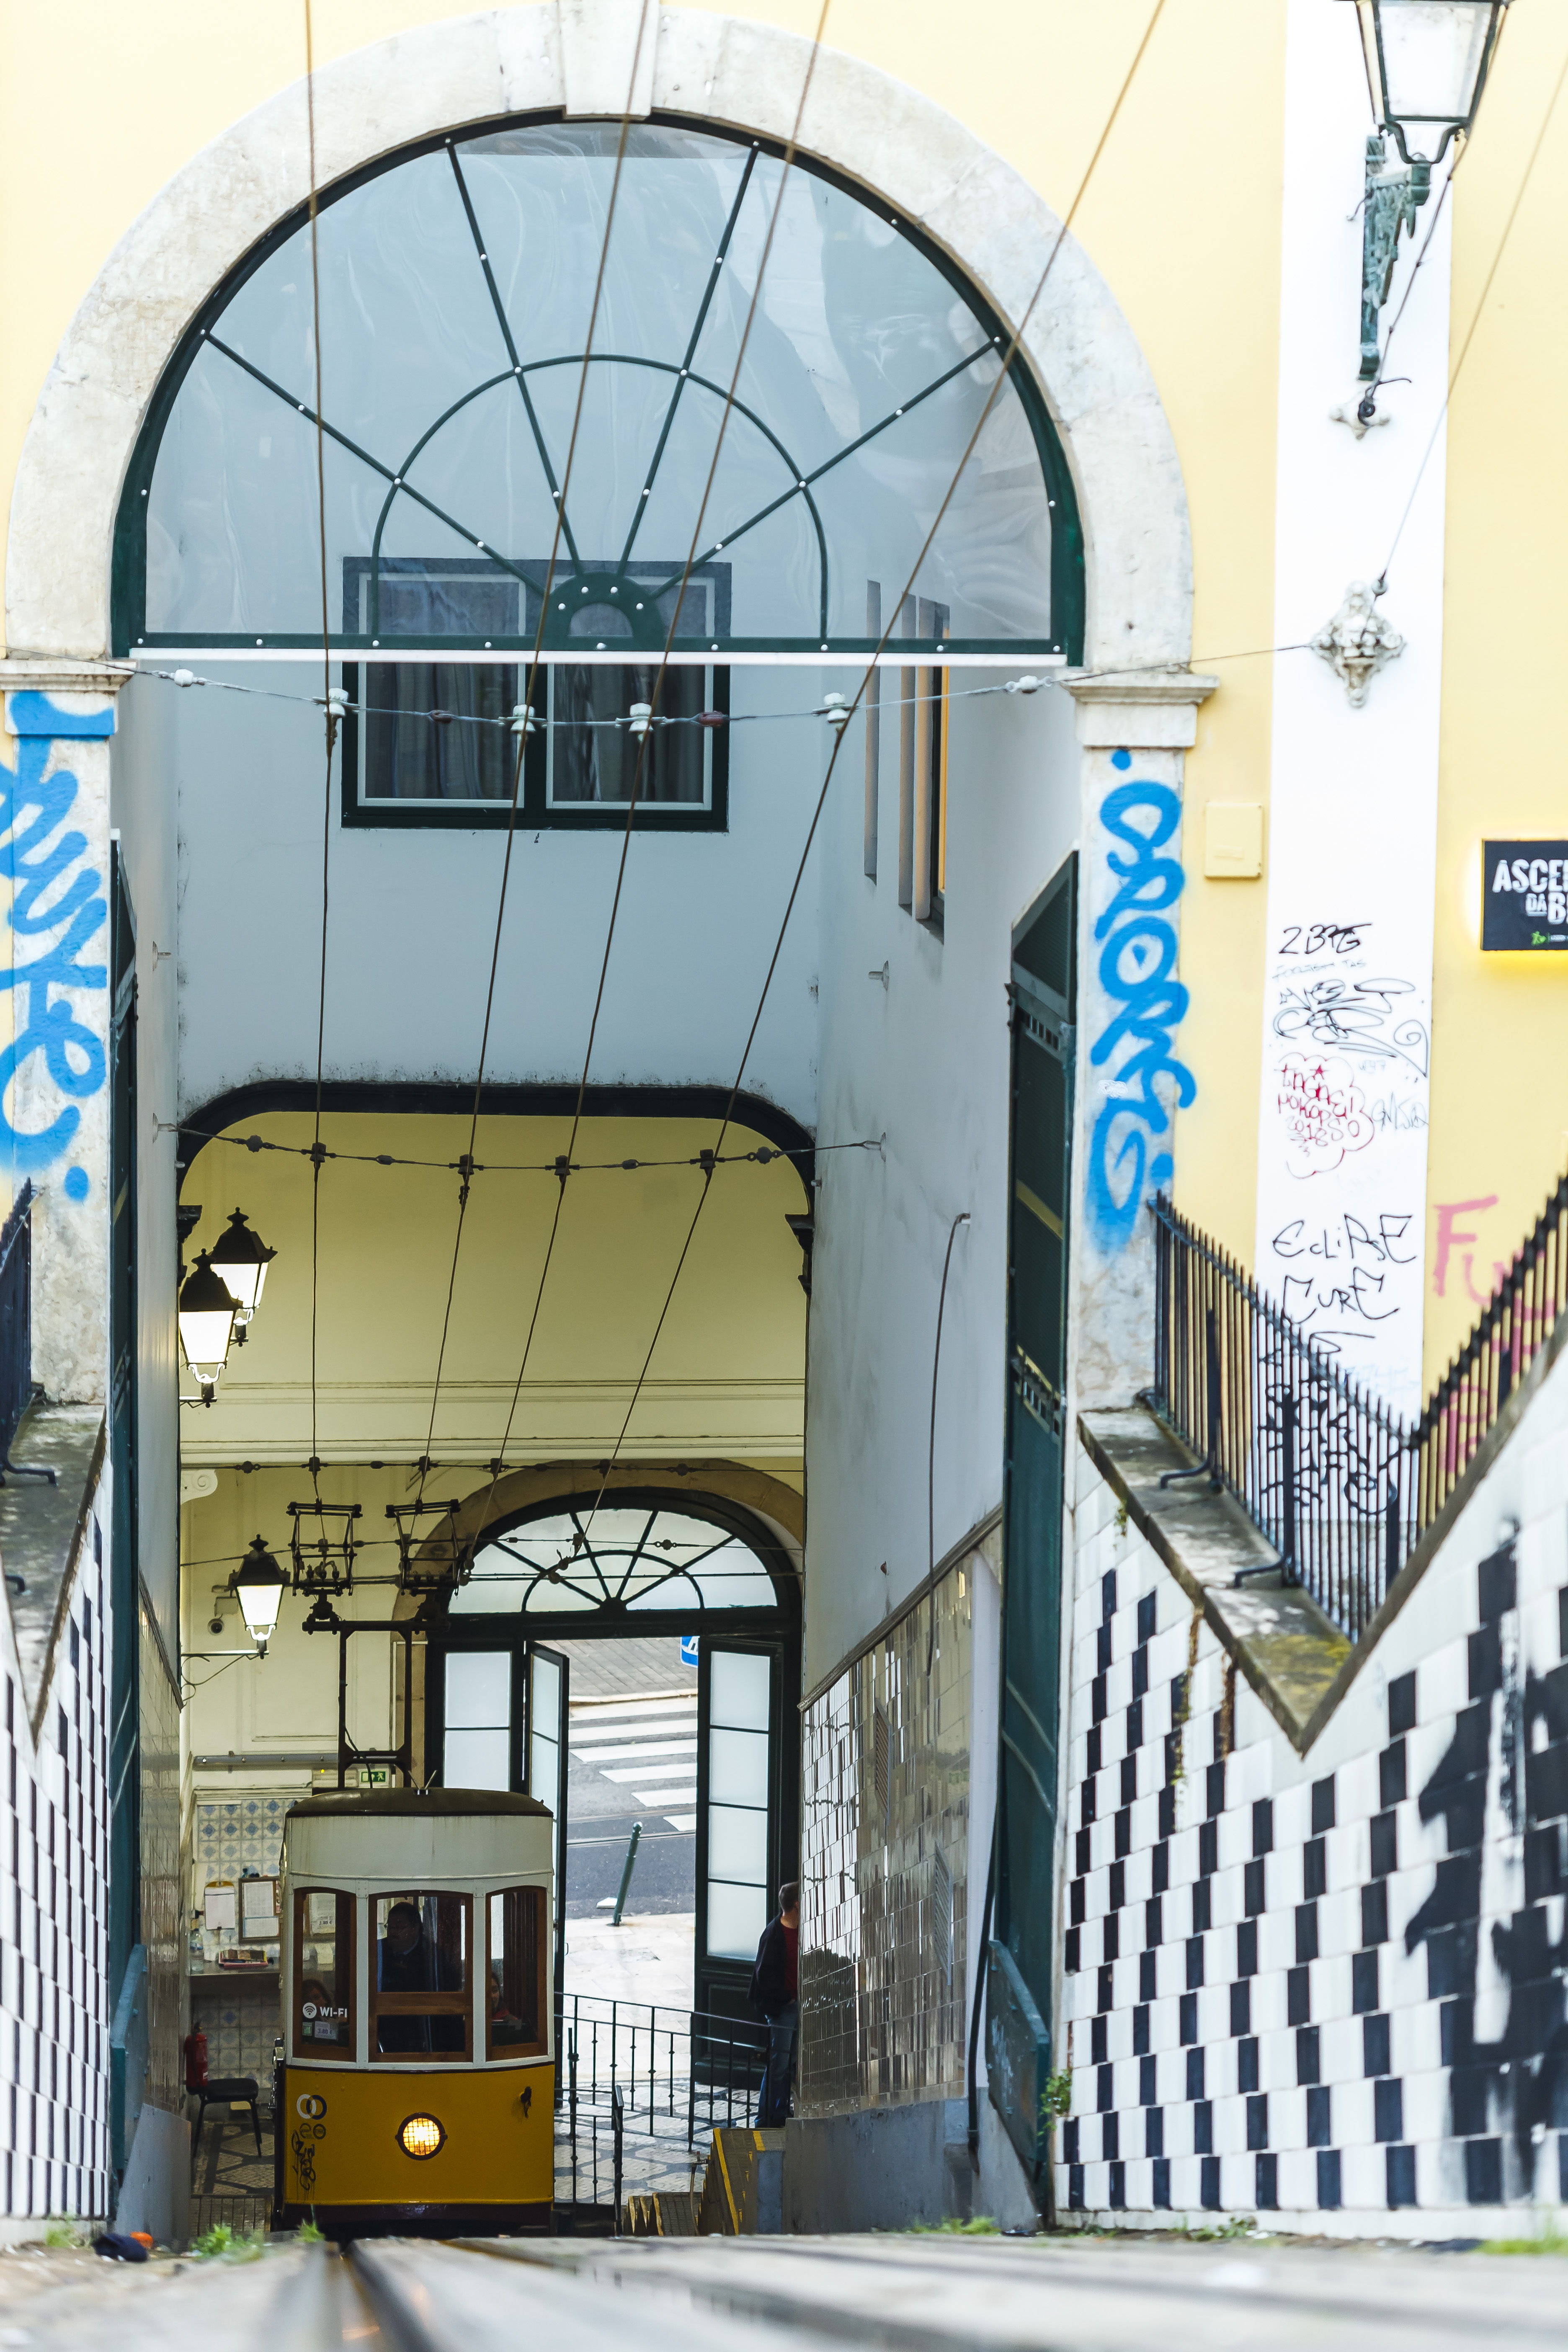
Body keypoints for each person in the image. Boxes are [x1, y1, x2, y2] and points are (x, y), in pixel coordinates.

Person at [377, 1897, 464, 2052]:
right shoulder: (376, 1952)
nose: (393, 1932)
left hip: (425, 2038)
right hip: (383, 2035)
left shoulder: (435, 1958)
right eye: (390, 1926)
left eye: (399, 1927)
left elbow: (449, 2003)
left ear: (415, 1927)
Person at [749, 1880, 799, 2128]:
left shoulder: (802, 1929)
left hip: (797, 2005)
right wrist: (786, 1998)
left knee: (790, 2060)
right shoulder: (774, 1934)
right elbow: (764, 1975)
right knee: (779, 2062)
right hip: (783, 2008)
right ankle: (765, 2117)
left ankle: (780, 2111)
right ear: (797, 1904)